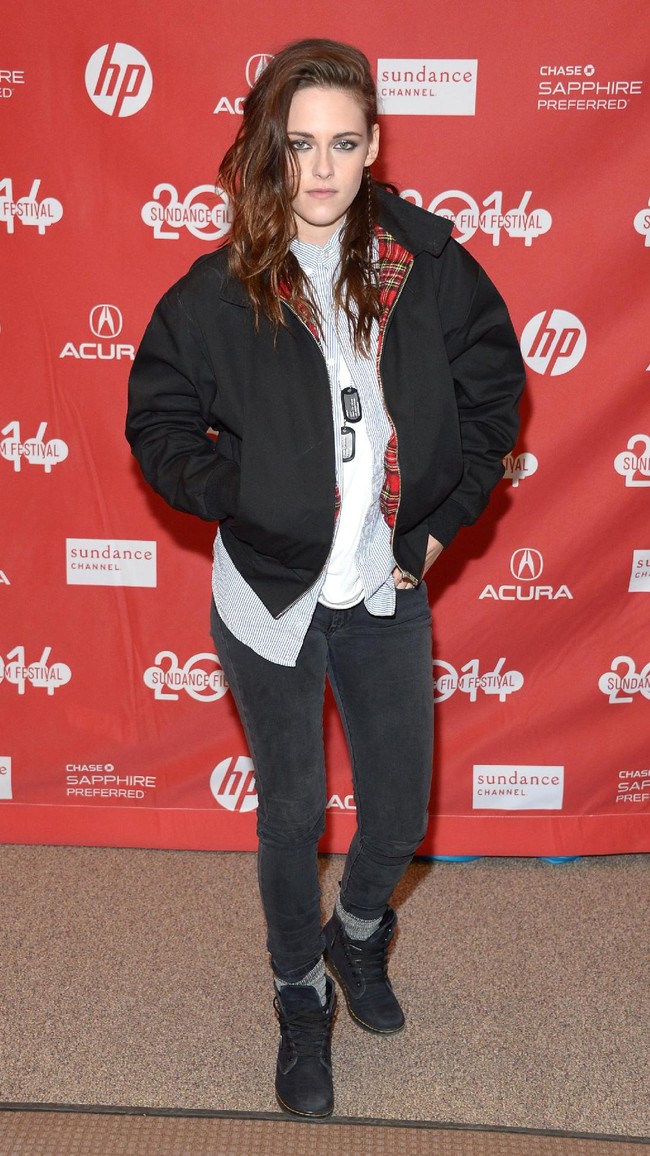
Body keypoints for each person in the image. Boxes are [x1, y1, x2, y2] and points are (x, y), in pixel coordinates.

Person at [126, 38, 525, 1118]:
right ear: (270, 148)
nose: (319, 166)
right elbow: (156, 419)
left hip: (384, 586)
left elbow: (492, 394)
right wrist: (243, 490)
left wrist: (440, 524)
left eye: (342, 142)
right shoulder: (220, 289)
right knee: (291, 811)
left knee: (397, 814)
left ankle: (356, 934)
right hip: (268, 596)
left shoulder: (426, 264)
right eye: (298, 143)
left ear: (373, 147)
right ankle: (299, 995)